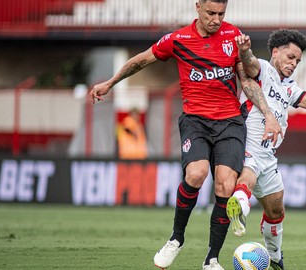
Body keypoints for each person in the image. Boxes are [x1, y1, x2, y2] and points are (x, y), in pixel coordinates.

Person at [90, 0, 282, 269]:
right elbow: (141, 60)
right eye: (211, 13)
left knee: (225, 185)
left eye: (221, 14)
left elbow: (247, 81)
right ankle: (175, 239)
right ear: (198, 7)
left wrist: (268, 113)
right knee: (196, 173)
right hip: (196, 120)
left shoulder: (233, 36)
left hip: (230, 122)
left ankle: (211, 259)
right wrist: (110, 83)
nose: (216, 19)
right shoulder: (178, 39)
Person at [226, 29, 306, 269]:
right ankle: (239, 205)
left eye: (297, 60)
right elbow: (250, 64)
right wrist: (245, 51)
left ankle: (275, 258)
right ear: (275, 52)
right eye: (290, 57)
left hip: (269, 156)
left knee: (276, 210)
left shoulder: (289, 88)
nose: (294, 64)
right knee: (249, 173)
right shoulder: (264, 69)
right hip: (247, 144)